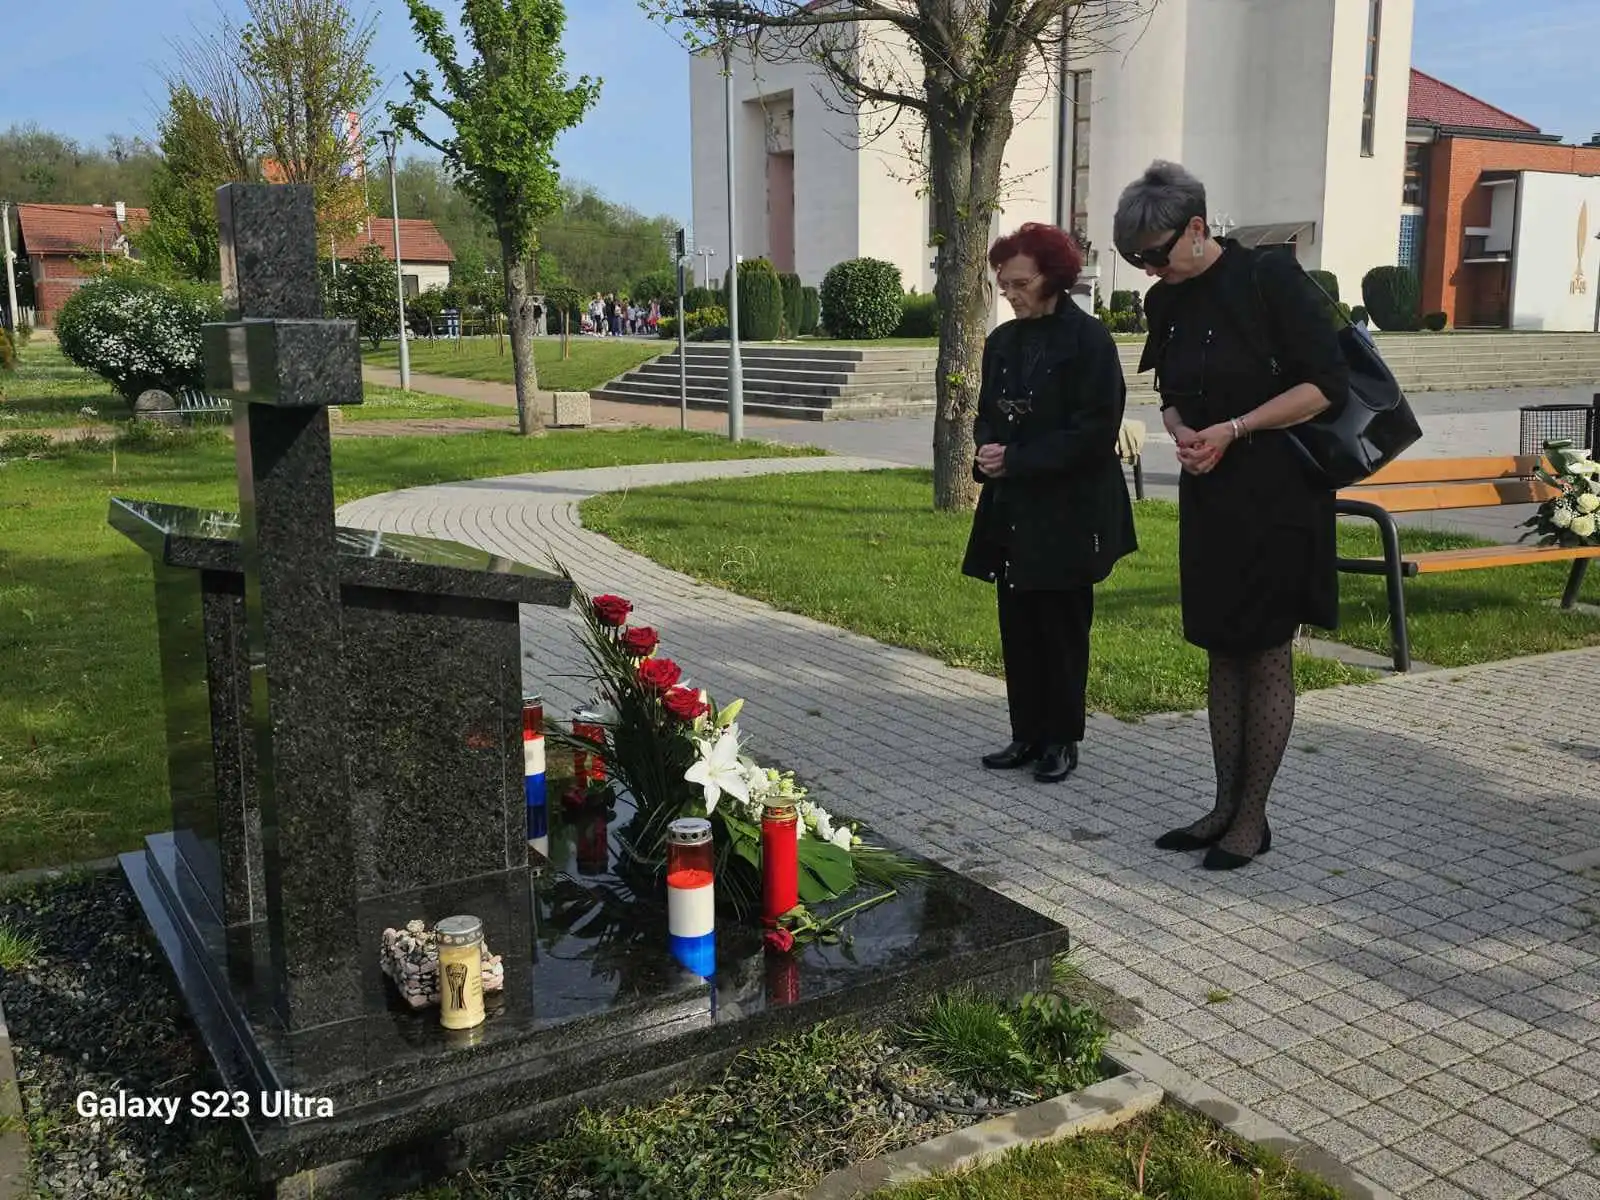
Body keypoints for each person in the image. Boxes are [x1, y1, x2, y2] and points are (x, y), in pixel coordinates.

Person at [1114, 160, 1348, 870]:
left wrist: (1236, 429)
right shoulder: (1167, 302)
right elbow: (1169, 390)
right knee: (1222, 646)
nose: (1150, 270)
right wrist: (1183, 429)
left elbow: (1325, 387)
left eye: (1156, 254)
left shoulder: (1268, 277)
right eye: (1137, 260)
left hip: (1278, 491)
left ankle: (1252, 819)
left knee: (1266, 650)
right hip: (1211, 488)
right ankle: (1222, 805)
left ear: (1196, 227)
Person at [962, 222, 1137, 783]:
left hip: (1069, 510)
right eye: (1004, 285)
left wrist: (1017, 459)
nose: (1010, 294)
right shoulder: (1002, 342)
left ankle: (1062, 738)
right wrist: (987, 449)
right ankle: (1026, 733)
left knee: (1061, 628)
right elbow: (987, 413)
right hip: (1014, 508)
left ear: (1053, 277)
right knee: (1018, 623)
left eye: (1020, 283)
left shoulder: (1089, 341)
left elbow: (1094, 431)